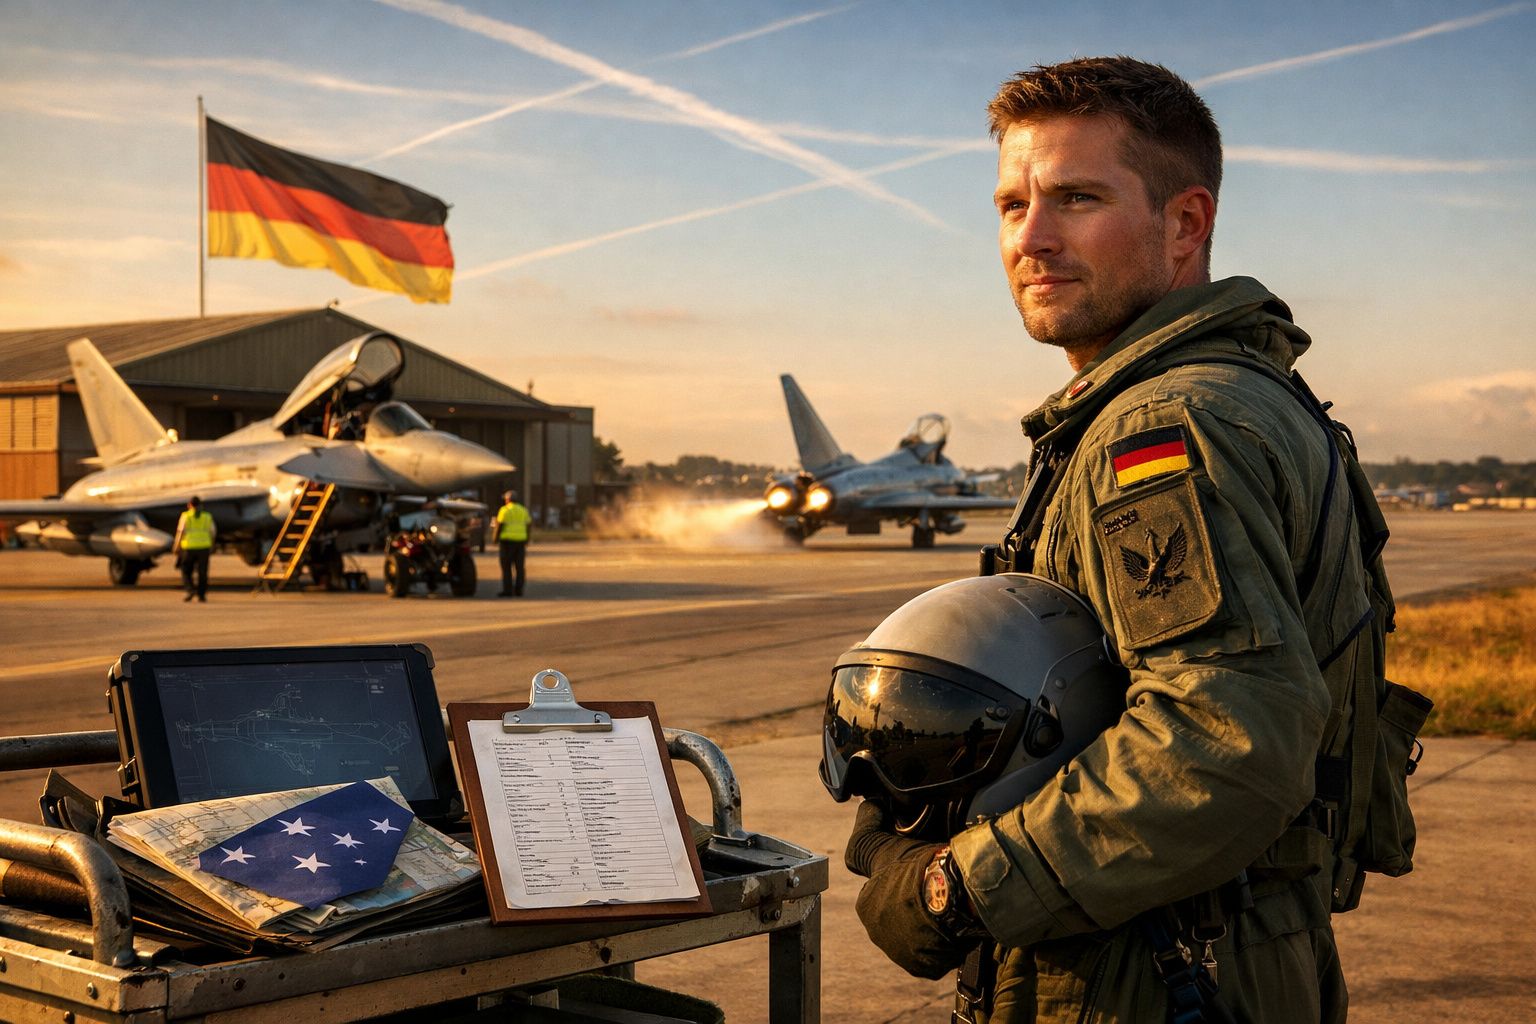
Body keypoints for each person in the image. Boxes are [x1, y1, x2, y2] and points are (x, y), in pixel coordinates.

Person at [844, 57, 1393, 1023]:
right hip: (1220, 947)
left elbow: (1223, 743)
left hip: (1148, 971)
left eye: (1077, 199)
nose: (1033, 238)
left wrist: (955, 888)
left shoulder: (1164, 434)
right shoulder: (1245, 397)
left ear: (1186, 223)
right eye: (1012, 205)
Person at [173, 495, 216, 603]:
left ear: (189, 505)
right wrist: (212, 545)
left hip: (189, 548)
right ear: (200, 505)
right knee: (203, 572)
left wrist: (176, 546)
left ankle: (190, 590)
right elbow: (213, 532)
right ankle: (201, 595)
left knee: (186, 570)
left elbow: (180, 532)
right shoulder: (207, 516)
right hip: (204, 548)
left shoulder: (186, 516)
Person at [495, 489, 532, 597]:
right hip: (520, 542)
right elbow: (528, 525)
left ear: (507, 499)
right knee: (519, 567)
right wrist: (527, 539)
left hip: (507, 542)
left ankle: (508, 590)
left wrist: (495, 539)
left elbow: (499, 525)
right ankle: (519, 590)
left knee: (506, 567)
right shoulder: (523, 510)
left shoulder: (504, 510)